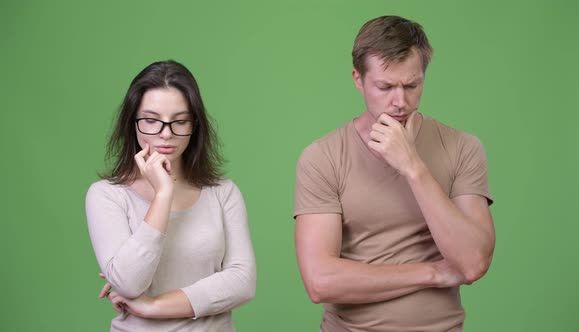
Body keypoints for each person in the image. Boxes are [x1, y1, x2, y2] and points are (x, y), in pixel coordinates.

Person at [293, 16, 495, 332]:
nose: (400, 102)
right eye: (385, 87)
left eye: (412, 85)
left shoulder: (462, 147)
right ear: (358, 79)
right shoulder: (322, 157)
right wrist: (433, 273)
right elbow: (320, 282)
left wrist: (413, 166)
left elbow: (472, 263)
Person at [86, 60, 256, 331]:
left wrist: (151, 306)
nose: (166, 134)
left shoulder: (223, 192)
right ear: (132, 122)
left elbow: (242, 282)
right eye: (151, 121)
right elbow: (129, 282)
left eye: (179, 121)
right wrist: (163, 195)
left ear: (194, 125)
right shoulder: (107, 195)